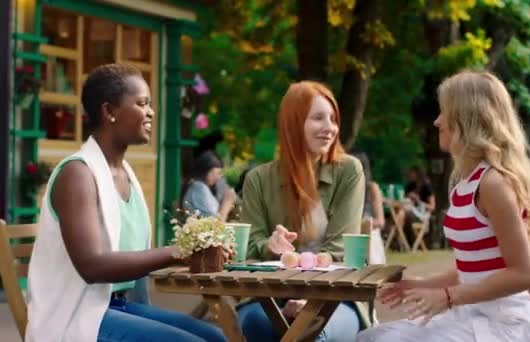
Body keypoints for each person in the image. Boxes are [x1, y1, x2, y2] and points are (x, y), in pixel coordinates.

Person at [26, 64, 226, 342]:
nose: (150, 112)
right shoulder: (78, 174)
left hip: (119, 306)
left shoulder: (125, 174)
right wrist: (175, 252)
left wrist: (201, 254)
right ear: (109, 112)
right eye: (142, 103)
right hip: (78, 315)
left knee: (215, 336)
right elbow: (92, 266)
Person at [357, 70, 530, 341]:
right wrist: (417, 285)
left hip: (505, 325)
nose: (437, 121)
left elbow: (522, 275)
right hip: (473, 316)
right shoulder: (466, 182)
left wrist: (448, 297)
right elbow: (472, 271)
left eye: (445, 112)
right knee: (369, 338)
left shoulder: (493, 183)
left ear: (467, 120)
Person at [238, 81, 368, 341]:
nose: (329, 128)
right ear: (294, 124)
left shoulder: (349, 171)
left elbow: (340, 248)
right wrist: (270, 245)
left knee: (313, 331)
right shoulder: (258, 179)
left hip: (335, 298)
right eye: (318, 118)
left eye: (333, 119)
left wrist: (309, 300)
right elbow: (248, 249)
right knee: (256, 325)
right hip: (268, 297)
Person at [181, 150, 236, 221]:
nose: (218, 177)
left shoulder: (198, 186)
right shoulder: (199, 188)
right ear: (206, 171)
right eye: (217, 173)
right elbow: (216, 223)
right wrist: (227, 202)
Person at [353, 152, 386, 264]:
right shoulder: (345, 188)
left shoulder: (372, 188)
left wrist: (360, 224)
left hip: (369, 234)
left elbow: (380, 221)